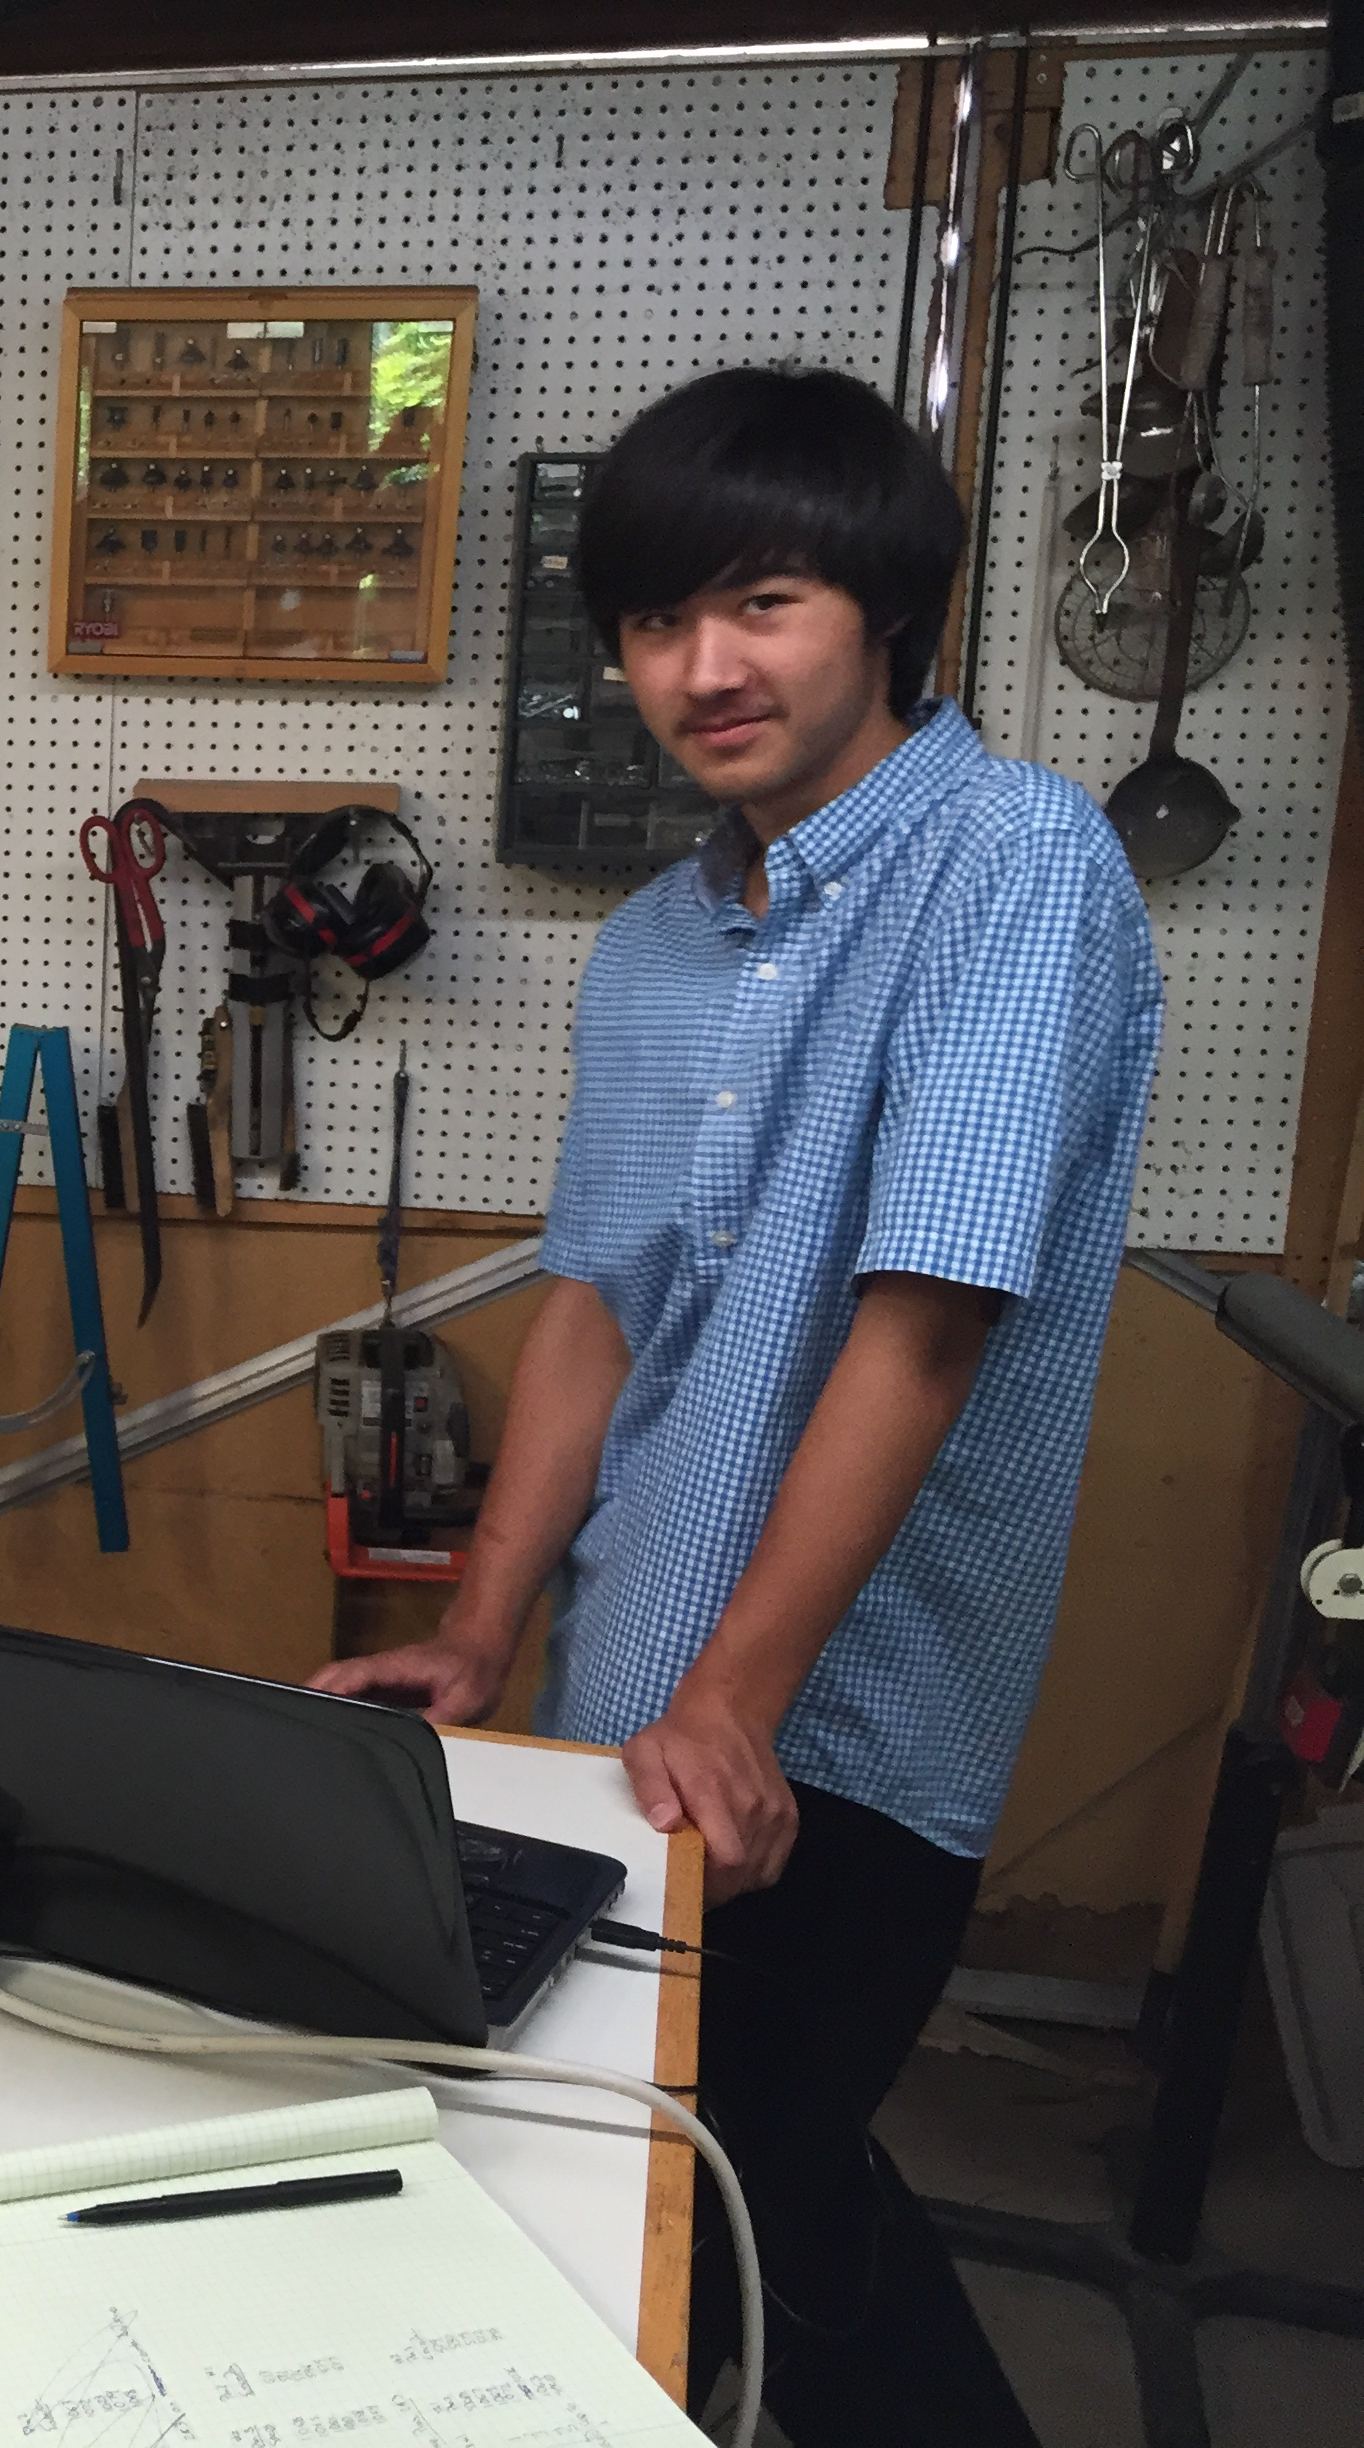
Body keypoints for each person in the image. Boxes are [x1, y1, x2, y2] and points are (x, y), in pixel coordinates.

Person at [308, 365, 1161, 2445]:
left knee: (705, 2220)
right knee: (736, 2188)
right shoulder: (659, 944)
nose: (705, 668)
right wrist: (483, 1630)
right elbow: (596, 1312)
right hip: (631, 1682)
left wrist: (736, 1700)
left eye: (763, 604)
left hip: (836, 1723)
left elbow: (925, 1325)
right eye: (658, 620)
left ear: (890, 608)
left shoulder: (1015, 861)